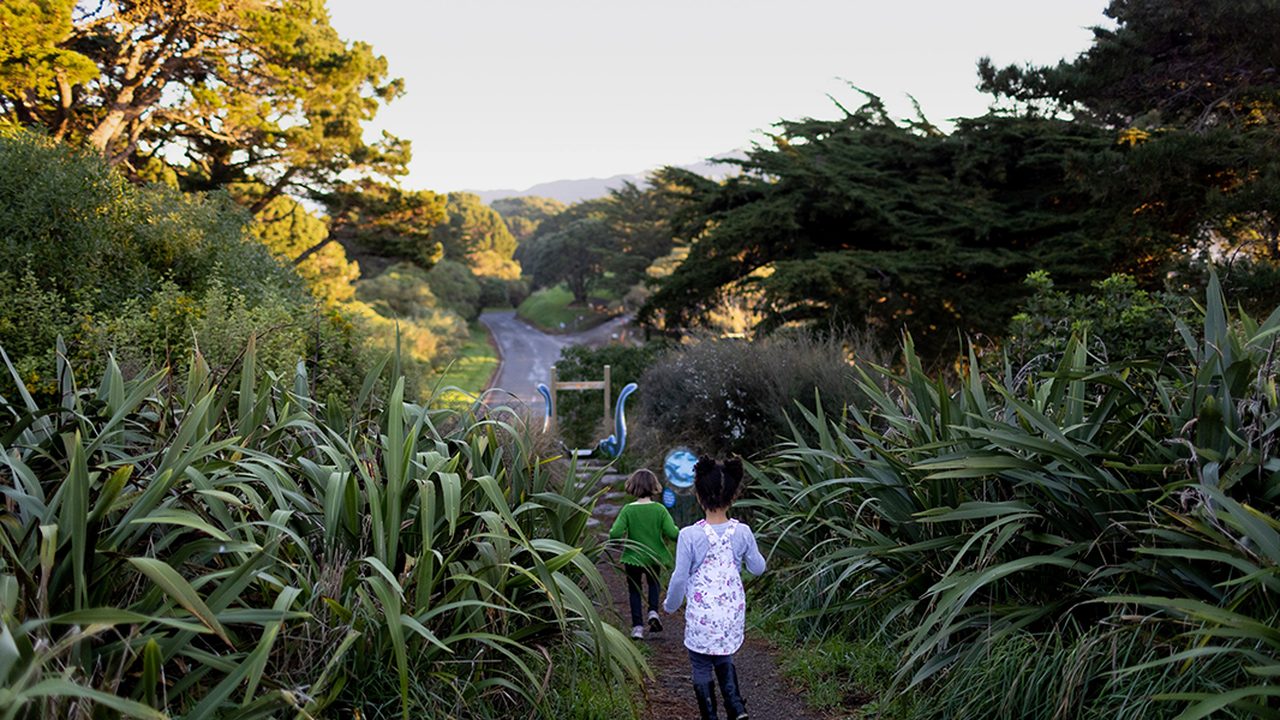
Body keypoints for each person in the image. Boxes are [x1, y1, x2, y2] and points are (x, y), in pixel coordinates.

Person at [664, 457, 765, 720]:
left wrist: (670, 605)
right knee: (723, 655)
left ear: (698, 495)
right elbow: (758, 568)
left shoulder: (689, 535)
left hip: (701, 617)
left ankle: (710, 716)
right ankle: (736, 707)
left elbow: (678, 578)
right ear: (733, 496)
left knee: (700, 663)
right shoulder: (742, 532)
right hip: (730, 615)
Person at [608, 468, 679, 639]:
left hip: (633, 557)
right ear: (654, 486)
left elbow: (615, 533)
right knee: (654, 584)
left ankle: (637, 627)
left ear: (633, 486)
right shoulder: (660, 510)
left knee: (634, 590)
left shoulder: (628, 510)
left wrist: (616, 541)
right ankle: (653, 612)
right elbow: (672, 533)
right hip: (654, 557)